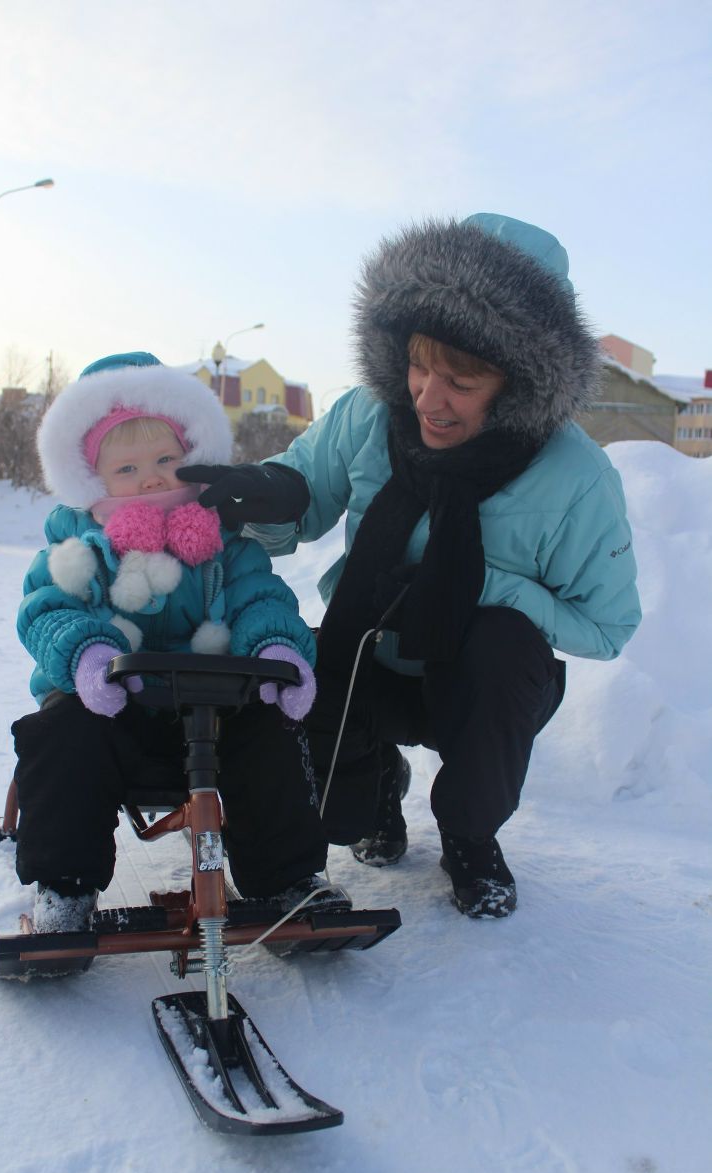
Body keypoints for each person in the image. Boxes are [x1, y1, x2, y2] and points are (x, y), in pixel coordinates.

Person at [178, 213, 642, 919]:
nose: (428, 396)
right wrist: (264, 494)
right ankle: (374, 788)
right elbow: (302, 501)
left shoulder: (575, 478)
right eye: (419, 365)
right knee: (331, 805)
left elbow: (606, 627)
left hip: (480, 683)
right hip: (367, 655)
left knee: (502, 646)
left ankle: (470, 834)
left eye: (460, 380)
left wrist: (488, 587)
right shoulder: (369, 415)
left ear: (517, 381)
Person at [13, 351, 347, 932]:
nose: (150, 478)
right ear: (92, 480)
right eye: (127, 469)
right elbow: (48, 610)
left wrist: (277, 652)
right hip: (114, 712)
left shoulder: (226, 542)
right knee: (62, 735)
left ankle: (289, 878)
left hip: (216, 716)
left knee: (272, 733)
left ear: (192, 461)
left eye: (166, 459)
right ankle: (64, 887)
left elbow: (258, 598)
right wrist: (88, 658)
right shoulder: (77, 548)